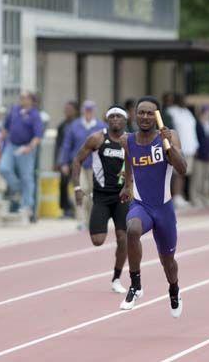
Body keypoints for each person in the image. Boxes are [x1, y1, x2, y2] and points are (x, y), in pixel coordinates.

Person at [119, 96, 187, 317]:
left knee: (168, 262)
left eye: (150, 113)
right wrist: (128, 186)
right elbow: (130, 166)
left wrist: (169, 147)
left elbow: (182, 168)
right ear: (134, 115)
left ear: (157, 116)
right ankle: (135, 284)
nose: (145, 117)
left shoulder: (167, 137)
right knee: (132, 229)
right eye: (141, 112)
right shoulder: (127, 140)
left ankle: (174, 289)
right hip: (142, 205)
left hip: (164, 209)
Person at [71, 105, 129, 294]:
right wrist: (78, 187)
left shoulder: (130, 141)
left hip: (122, 197)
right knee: (97, 240)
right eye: (111, 116)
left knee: (124, 238)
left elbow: (139, 166)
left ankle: (117, 278)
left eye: (118, 116)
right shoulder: (97, 138)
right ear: (106, 119)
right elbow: (77, 160)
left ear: (125, 120)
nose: (114, 119)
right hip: (102, 197)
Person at [60, 100, 106, 228]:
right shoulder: (74, 126)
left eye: (90, 110)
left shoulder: (101, 126)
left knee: (93, 193)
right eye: (86, 110)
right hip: (78, 165)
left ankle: (91, 219)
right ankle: (81, 220)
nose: (88, 113)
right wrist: (63, 162)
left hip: (96, 165)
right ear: (82, 111)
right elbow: (66, 145)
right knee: (81, 189)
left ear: (94, 111)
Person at [0, 91, 44, 217]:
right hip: (11, 145)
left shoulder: (34, 114)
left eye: (25, 97)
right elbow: (5, 127)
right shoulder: (14, 110)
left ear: (31, 100)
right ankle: (17, 189)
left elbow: (38, 135)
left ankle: (27, 204)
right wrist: (0, 141)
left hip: (26, 147)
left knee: (26, 176)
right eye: (21, 97)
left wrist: (30, 147)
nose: (22, 99)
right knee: (4, 168)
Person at [166, 94, 198, 208]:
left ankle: (180, 195)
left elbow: (191, 130)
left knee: (184, 173)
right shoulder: (171, 111)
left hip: (190, 147)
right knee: (176, 173)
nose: (184, 101)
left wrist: (195, 145)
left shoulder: (187, 112)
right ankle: (175, 196)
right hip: (179, 147)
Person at [55, 101, 78, 218]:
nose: (67, 112)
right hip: (65, 160)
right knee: (63, 184)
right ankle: (66, 209)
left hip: (77, 159)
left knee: (78, 184)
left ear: (75, 111)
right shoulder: (61, 126)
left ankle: (78, 209)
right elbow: (58, 145)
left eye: (70, 109)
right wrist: (58, 162)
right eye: (66, 109)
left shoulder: (79, 125)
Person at [192, 105, 209, 208]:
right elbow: (194, 137)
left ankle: (205, 196)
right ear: (202, 112)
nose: (208, 114)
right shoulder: (197, 124)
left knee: (207, 178)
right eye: (207, 112)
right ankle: (195, 198)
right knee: (198, 177)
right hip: (199, 154)